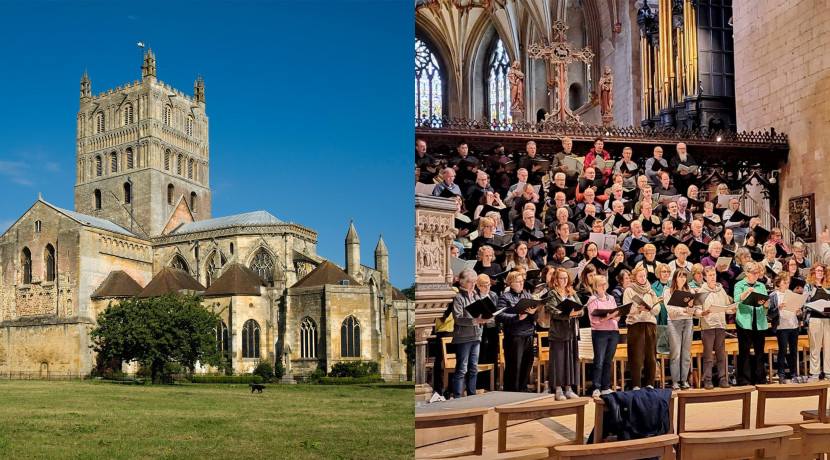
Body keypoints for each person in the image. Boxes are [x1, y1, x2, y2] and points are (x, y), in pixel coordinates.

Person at [497, 271, 538, 392]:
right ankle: (512, 390)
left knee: (527, 363)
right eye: (518, 282)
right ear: (510, 283)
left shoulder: (528, 296)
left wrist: (533, 313)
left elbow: (536, 317)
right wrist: (516, 317)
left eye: (522, 281)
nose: (521, 284)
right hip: (514, 335)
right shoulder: (505, 297)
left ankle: (523, 387)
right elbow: (499, 316)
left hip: (528, 334)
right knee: (514, 364)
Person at [545, 268, 582, 400]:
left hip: (572, 331)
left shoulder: (571, 292)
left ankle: (569, 388)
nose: (564, 280)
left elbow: (581, 309)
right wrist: (568, 314)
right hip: (558, 332)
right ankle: (558, 388)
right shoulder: (552, 293)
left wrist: (577, 313)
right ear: (556, 279)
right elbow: (553, 311)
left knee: (571, 360)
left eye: (566, 278)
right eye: (561, 278)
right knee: (558, 361)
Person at [451, 268, 488, 398]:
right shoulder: (458, 298)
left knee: (474, 368)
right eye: (470, 282)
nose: (473, 285)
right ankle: (457, 396)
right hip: (463, 337)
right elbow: (458, 318)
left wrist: (486, 317)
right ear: (463, 283)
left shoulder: (476, 295)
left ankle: (472, 394)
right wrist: (475, 320)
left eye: (474, 282)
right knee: (462, 368)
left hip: (476, 336)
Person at [696, 266, 735, 389]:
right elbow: (696, 309)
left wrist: (732, 309)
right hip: (708, 325)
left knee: (721, 354)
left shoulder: (721, 290)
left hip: (720, 325)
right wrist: (702, 313)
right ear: (705, 277)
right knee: (708, 355)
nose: (713, 277)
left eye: (714, 275)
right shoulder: (701, 291)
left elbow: (726, 307)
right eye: (710, 275)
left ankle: (723, 378)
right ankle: (707, 379)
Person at [623, 266, 662, 390]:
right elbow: (627, 308)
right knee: (636, 355)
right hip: (635, 325)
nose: (643, 278)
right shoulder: (629, 290)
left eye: (644, 275)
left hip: (650, 323)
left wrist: (652, 308)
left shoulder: (650, 290)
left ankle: (649, 384)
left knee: (651, 355)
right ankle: (636, 384)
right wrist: (638, 309)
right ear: (635, 277)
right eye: (640, 276)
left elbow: (657, 308)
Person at [733, 261, 769, 386]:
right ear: (747, 273)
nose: (755, 275)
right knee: (744, 351)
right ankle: (744, 379)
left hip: (759, 321)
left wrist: (765, 304)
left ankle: (760, 378)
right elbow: (737, 299)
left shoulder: (761, 285)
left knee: (760, 351)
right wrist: (746, 292)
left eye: (757, 273)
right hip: (744, 321)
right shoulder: (740, 284)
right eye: (753, 273)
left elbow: (766, 304)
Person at [767, 272, 802, 384]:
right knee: (782, 350)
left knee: (793, 351)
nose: (786, 285)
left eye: (788, 282)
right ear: (779, 283)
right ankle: (781, 374)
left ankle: (793, 373)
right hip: (781, 326)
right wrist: (778, 308)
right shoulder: (774, 295)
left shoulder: (792, 293)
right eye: (784, 282)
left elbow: (798, 310)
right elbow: (770, 314)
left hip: (793, 325)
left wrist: (798, 312)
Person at [665, 269, 695, 390]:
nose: (682, 279)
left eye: (684, 277)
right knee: (676, 353)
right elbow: (670, 309)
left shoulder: (690, 291)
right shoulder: (668, 291)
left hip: (688, 321)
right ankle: (675, 381)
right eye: (680, 276)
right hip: (674, 322)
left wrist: (691, 307)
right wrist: (683, 310)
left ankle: (684, 380)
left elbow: (693, 310)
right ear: (675, 278)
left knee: (686, 353)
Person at [804, 264, 830, 382]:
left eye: (822, 271)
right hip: (814, 318)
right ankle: (814, 373)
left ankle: (828, 372)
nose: (820, 273)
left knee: (828, 347)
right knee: (815, 346)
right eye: (818, 271)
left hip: (827, 319)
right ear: (813, 272)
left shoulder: (828, 287)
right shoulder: (808, 287)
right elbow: (804, 303)